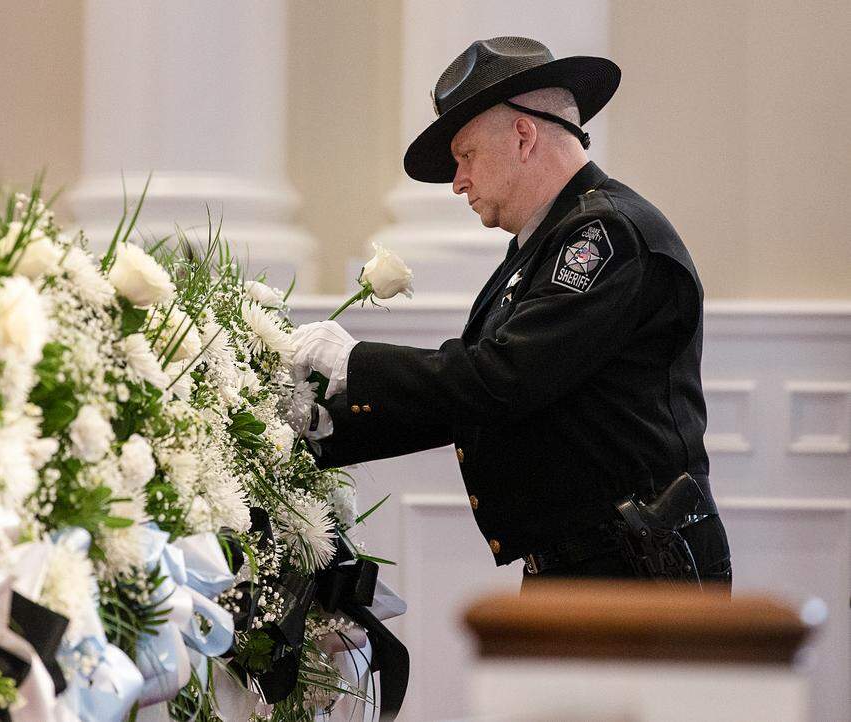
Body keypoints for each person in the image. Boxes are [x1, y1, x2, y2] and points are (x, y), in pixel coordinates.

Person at [291, 36, 731, 590]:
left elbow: (504, 379)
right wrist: (322, 427)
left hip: (635, 576)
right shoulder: (548, 239)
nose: (458, 183)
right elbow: (483, 394)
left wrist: (354, 362)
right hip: (593, 567)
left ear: (524, 135)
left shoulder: (605, 235)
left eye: (466, 156)